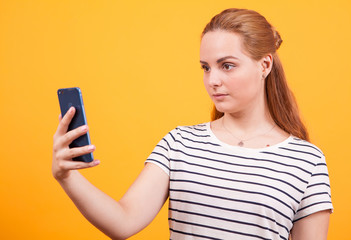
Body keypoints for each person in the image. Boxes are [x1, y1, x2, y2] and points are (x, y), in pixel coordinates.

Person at [52, 8, 333, 240]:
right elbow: (123, 222)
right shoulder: (180, 143)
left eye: (227, 65)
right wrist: (67, 177)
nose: (213, 80)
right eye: (206, 67)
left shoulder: (307, 161)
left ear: (265, 65)